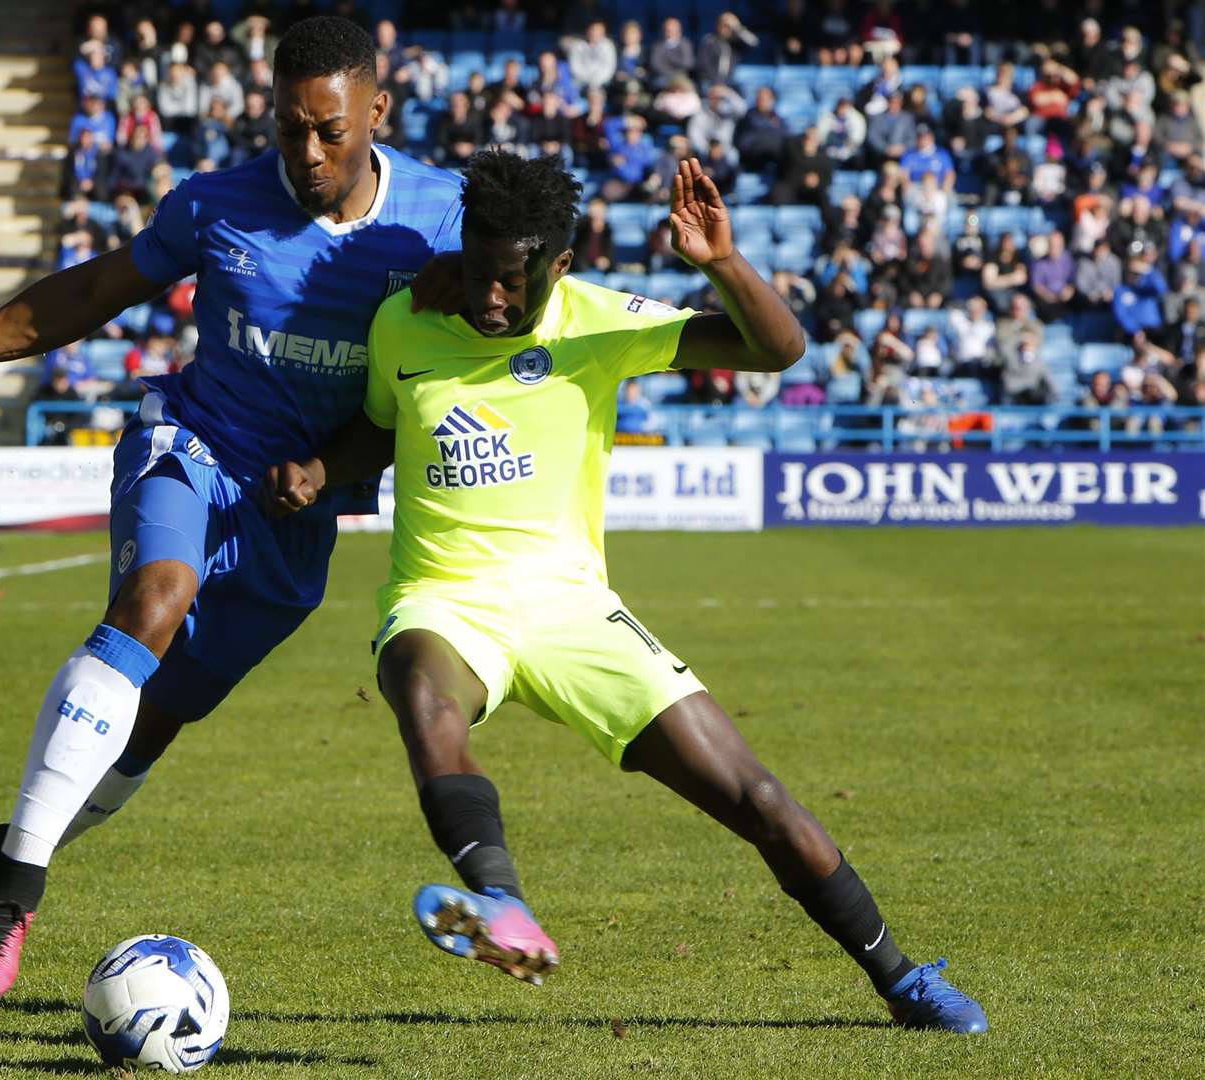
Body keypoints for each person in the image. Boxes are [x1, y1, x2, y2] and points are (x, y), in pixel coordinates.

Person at [265, 151, 988, 1034]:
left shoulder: (600, 321)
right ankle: (503, 909)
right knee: (421, 692)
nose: (492, 299)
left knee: (756, 798)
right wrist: (316, 469)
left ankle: (901, 977)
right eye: (481, 273)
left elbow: (778, 350)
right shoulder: (403, 323)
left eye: (513, 283)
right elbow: (381, 430)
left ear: (559, 267)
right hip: (445, 597)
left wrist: (721, 263)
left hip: (570, 604)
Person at [0, 16, 467, 1002]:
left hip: (295, 512)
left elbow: (440, 378)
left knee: (150, 728)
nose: (306, 153)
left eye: (330, 132)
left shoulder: (438, 221)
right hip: (191, 437)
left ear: (377, 113)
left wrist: (331, 466)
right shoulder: (217, 203)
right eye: (286, 129)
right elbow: (95, 290)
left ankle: (7, 845)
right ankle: (15, 888)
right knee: (156, 595)